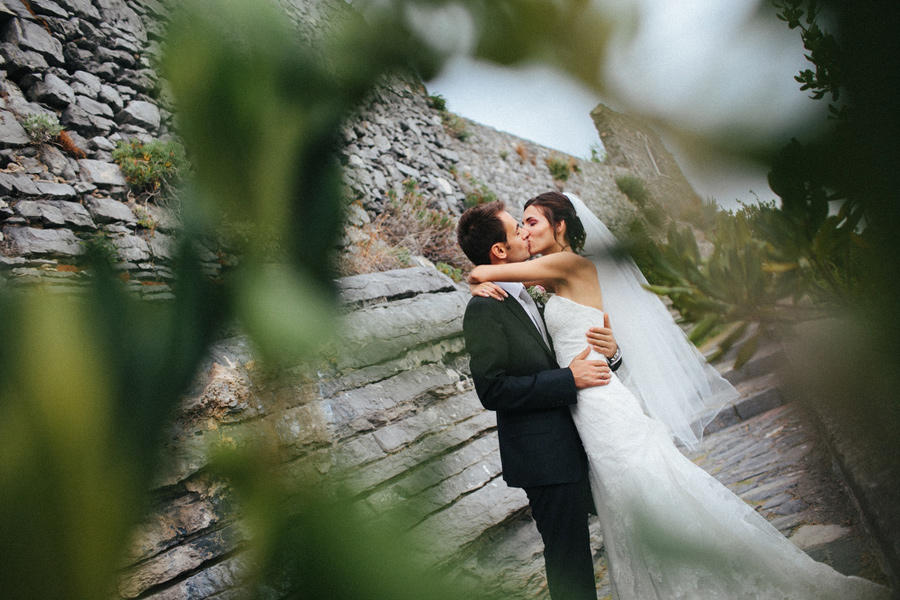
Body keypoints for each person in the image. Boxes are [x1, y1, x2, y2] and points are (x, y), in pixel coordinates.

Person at [464, 191, 891, 600]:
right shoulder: (544, 286)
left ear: (559, 226)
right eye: (518, 225)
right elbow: (569, 349)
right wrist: (608, 353)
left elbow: (483, 271)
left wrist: (477, 277)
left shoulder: (567, 265)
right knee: (632, 508)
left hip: (602, 410)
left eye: (531, 222)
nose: (523, 231)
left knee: (650, 500)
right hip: (583, 413)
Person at [456, 200, 622, 600]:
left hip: (583, 437)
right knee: (570, 560)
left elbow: (580, 350)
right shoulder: (484, 308)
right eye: (517, 230)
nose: (525, 234)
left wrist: (611, 354)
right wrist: (568, 379)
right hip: (545, 457)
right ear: (499, 251)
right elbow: (492, 390)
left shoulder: (536, 289)